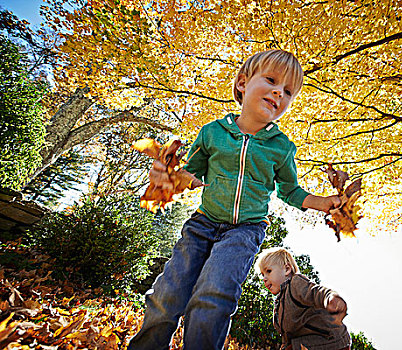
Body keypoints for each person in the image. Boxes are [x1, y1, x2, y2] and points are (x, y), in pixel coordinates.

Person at [127, 49, 341, 350]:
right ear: (242, 83)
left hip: (245, 231)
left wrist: (323, 202)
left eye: (289, 91)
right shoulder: (213, 133)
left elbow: (290, 191)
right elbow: (190, 174)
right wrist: (169, 178)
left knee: (213, 296)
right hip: (202, 224)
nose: (279, 92)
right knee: (167, 294)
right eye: (271, 80)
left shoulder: (282, 148)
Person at [256, 247, 351, 350]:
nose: (264, 279)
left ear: (287, 269)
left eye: (268, 271)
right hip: (309, 342)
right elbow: (287, 337)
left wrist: (330, 298)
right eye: (262, 275)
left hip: (331, 339)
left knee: (294, 347)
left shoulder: (295, 283)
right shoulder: (278, 308)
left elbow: (316, 292)